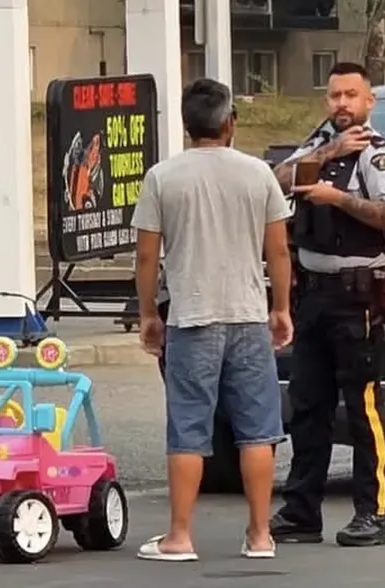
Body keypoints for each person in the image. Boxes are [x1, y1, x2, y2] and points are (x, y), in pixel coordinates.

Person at [131, 77, 294, 561]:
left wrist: (147, 313)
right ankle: (260, 534)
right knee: (258, 429)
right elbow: (278, 250)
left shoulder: (163, 177)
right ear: (230, 123)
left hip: (192, 317)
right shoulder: (259, 174)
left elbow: (146, 255)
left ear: (187, 126)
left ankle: (180, 536)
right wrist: (280, 308)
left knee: (188, 428)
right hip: (247, 315)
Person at [269, 62, 385, 547]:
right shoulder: (318, 145)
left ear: (369, 101)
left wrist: (338, 199)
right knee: (308, 406)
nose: (342, 104)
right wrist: (326, 152)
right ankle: (301, 513)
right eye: (335, 96)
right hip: (314, 296)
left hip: (359, 299)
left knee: (362, 408)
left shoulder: (379, 156)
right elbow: (277, 181)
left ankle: (372, 513)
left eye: (352, 95)